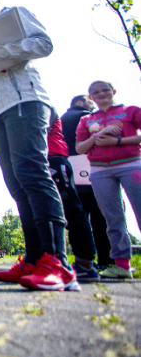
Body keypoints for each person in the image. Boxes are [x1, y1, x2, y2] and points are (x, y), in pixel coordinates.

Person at [0, 0, 78, 291]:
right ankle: (36, 258)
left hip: (26, 103)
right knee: (16, 183)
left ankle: (58, 262)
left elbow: (44, 45)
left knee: (33, 174)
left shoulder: (15, 15)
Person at [76, 80, 141, 279]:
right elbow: (79, 148)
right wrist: (98, 136)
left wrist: (118, 141)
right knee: (112, 217)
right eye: (95, 92)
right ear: (90, 98)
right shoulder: (86, 120)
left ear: (113, 91)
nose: (101, 93)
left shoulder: (131, 111)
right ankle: (122, 265)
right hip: (99, 170)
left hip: (131, 165)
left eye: (105, 90)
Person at [46, 108, 99, 281]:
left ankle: (85, 262)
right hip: (38, 160)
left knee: (71, 209)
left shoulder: (41, 105)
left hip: (54, 157)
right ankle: (45, 259)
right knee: (45, 212)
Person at [61, 95, 113, 269]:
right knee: (100, 213)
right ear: (80, 102)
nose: (92, 105)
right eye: (89, 101)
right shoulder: (88, 118)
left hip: (69, 167)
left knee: (78, 213)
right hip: (90, 163)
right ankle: (105, 259)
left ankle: (83, 258)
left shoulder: (61, 120)